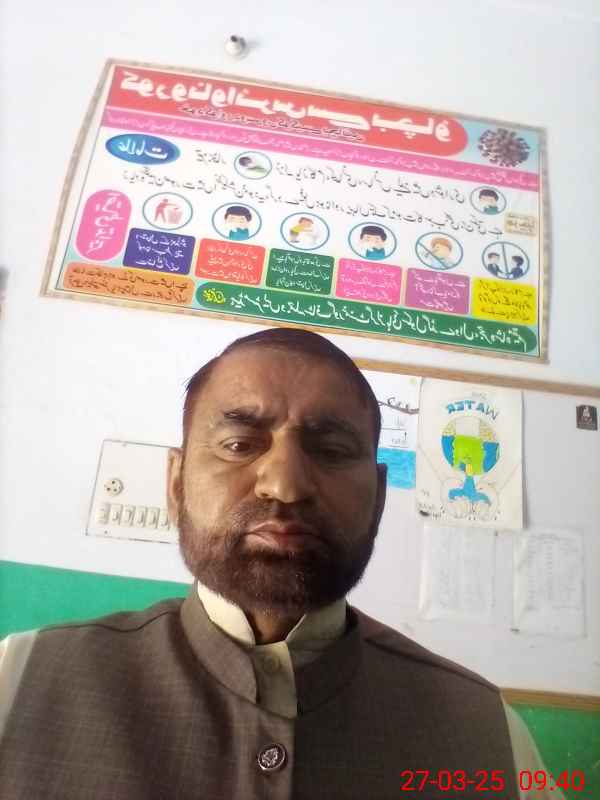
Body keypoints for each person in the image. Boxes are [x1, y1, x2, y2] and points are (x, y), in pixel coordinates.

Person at [0, 328, 563, 799]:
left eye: (332, 451)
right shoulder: (18, 681)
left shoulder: (491, 737)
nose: (285, 485)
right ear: (175, 485)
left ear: (378, 500)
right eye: (239, 444)